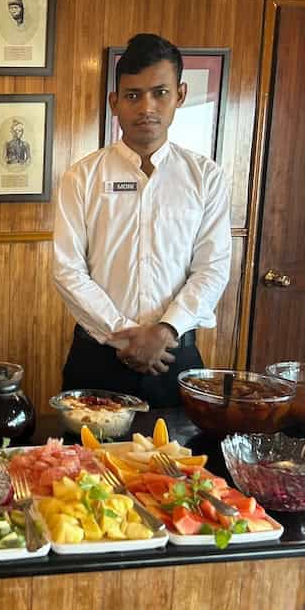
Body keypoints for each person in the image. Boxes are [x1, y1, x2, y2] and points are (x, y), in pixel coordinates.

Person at [53, 33, 231, 408]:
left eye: (159, 93)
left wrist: (164, 331)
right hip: (97, 359)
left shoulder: (206, 177)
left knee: (180, 464)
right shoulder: (81, 177)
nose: (146, 107)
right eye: (133, 95)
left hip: (175, 359)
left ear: (180, 95)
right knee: (82, 464)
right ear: (114, 102)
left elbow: (212, 268)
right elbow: (67, 269)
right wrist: (124, 334)